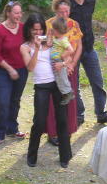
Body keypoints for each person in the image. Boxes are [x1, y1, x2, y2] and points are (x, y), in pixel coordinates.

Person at [20, 13, 72, 168]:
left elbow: (69, 55)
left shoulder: (52, 41)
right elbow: (30, 67)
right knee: (40, 121)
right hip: (41, 85)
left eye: (40, 29)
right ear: (29, 30)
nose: (37, 33)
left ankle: (65, 156)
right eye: (34, 30)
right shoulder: (24, 47)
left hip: (57, 84)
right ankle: (32, 155)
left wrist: (62, 64)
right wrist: (36, 49)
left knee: (62, 119)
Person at [67, 0, 107, 125]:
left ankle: (101, 113)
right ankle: (79, 114)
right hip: (74, 50)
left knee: (97, 82)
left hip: (89, 48)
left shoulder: (91, 1)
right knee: (74, 84)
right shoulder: (68, 5)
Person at [45, 0, 82, 146]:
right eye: (61, 12)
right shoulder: (49, 24)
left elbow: (78, 46)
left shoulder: (74, 24)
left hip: (69, 67)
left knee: (68, 97)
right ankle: (53, 132)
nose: (64, 15)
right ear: (56, 11)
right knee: (53, 100)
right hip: (53, 67)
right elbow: (46, 45)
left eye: (67, 11)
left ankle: (67, 130)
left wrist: (72, 63)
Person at [0, 1, 27, 146]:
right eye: (16, 13)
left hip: (21, 70)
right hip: (2, 71)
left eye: (20, 12)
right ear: (8, 13)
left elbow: (29, 46)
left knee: (15, 100)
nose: (19, 15)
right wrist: (10, 69)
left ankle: (12, 128)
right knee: (3, 101)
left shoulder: (24, 29)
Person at [48, 17, 75, 105]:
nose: (52, 30)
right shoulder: (56, 38)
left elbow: (71, 50)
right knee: (58, 78)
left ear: (58, 30)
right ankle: (66, 92)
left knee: (61, 78)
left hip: (58, 60)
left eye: (53, 29)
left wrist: (64, 55)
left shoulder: (63, 40)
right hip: (53, 61)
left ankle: (68, 93)